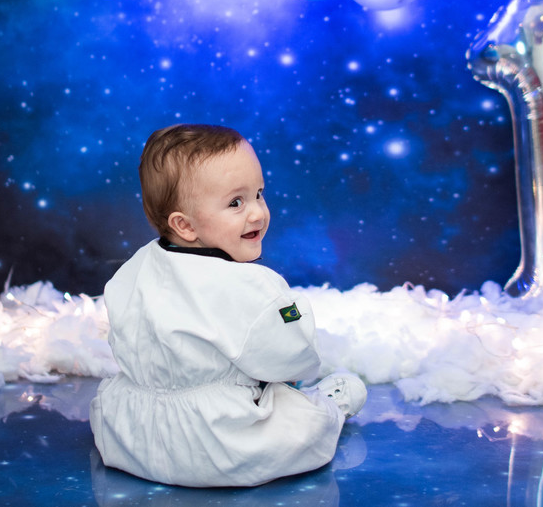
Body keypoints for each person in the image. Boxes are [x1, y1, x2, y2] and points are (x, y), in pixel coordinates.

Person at [90, 124, 366, 488]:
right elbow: (294, 358)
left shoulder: (134, 269)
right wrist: (288, 372)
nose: (257, 213)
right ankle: (333, 402)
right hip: (219, 447)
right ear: (185, 225)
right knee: (300, 412)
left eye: (259, 194)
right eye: (236, 202)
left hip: (134, 438)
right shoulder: (252, 287)